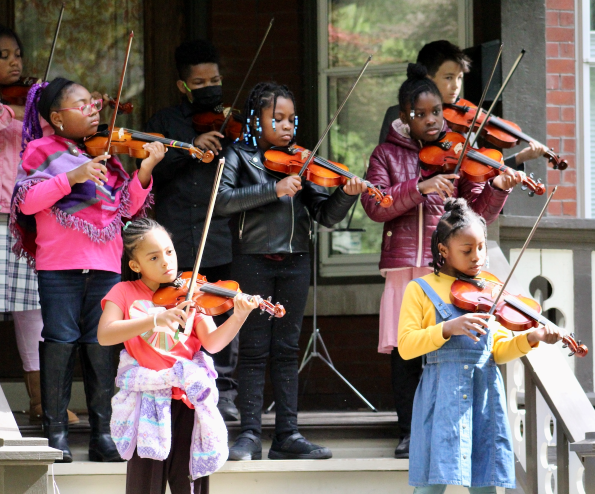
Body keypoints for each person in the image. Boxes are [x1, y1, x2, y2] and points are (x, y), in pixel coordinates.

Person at [361, 63, 520, 459]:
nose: (431, 120)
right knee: (405, 349)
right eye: (421, 114)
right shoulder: (385, 153)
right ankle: (408, 431)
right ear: (404, 117)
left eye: (436, 112)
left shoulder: (459, 152)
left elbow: (478, 213)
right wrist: (420, 186)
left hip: (442, 267)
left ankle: (442, 426)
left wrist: (498, 187)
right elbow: (375, 204)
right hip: (402, 265)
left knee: (441, 345)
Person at [9, 77, 165, 462]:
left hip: (106, 264)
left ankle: (103, 435)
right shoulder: (40, 151)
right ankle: (56, 432)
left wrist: (144, 171)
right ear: (58, 118)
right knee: (61, 341)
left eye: (94, 104)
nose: (94, 109)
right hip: (59, 266)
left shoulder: (108, 157)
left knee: (101, 344)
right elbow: (28, 202)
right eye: (83, 105)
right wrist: (72, 177)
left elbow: (126, 208)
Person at [216, 82, 367, 461]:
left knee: (285, 349)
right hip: (251, 258)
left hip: (297, 261)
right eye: (277, 118)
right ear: (256, 119)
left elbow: (325, 215)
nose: (287, 126)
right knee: (252, 350)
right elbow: (222, 202)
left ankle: (288, 434)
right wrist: (274, 189)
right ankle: (249, 434)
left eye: (291, 119)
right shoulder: (239, 155)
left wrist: (346, 194)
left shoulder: (302, 160)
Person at [0, 24, 81, 426]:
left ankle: (43, 402)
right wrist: (4, 112)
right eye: (4, 56)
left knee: (33, 310)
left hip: (26, 213)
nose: (14, 62)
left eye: (17, 54)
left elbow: (57, 141)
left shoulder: (35, 103)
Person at [398, 198, 562, 493]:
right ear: (443, 250)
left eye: (481, 248)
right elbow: (407, 346)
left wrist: (531, 338)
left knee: (485, 481)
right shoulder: (419, 289)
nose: (477, 257)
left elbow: (497, 351)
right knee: (431, 484)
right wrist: (447, 328)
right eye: (467, 250)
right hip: (440, 394)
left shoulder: (488, 288)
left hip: (484, 392)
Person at [98, 218, 259, 494]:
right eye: (154, 256)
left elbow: (213, 343)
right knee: (144, 485)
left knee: (190, 484)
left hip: (187, 399)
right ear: (136, 265)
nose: (166, 262)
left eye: (169, 252)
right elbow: (105, 334)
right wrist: (155, 319)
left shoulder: (190, 291)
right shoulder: (123, 292)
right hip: (146, 401)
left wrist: (239, 317)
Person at [143, 39, 238, 421]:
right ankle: (171, 385)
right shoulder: (165, 123)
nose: (209, 87)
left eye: (215, 79)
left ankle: (224, 394)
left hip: (218, 236)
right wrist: (189, 148)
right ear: (183, 85)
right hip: (176, 238)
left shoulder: (232, 123)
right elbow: (150, 174)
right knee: (175, 316)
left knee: (223, 312)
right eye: (199, 82)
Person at [378, 40, 544, 167]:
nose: (456, 86)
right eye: (448, 77)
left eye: (459, 78)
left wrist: (520, 158)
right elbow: (390, 166)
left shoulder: (464, 119)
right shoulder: (400, 114)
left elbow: (478, 173)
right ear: (427, 78)